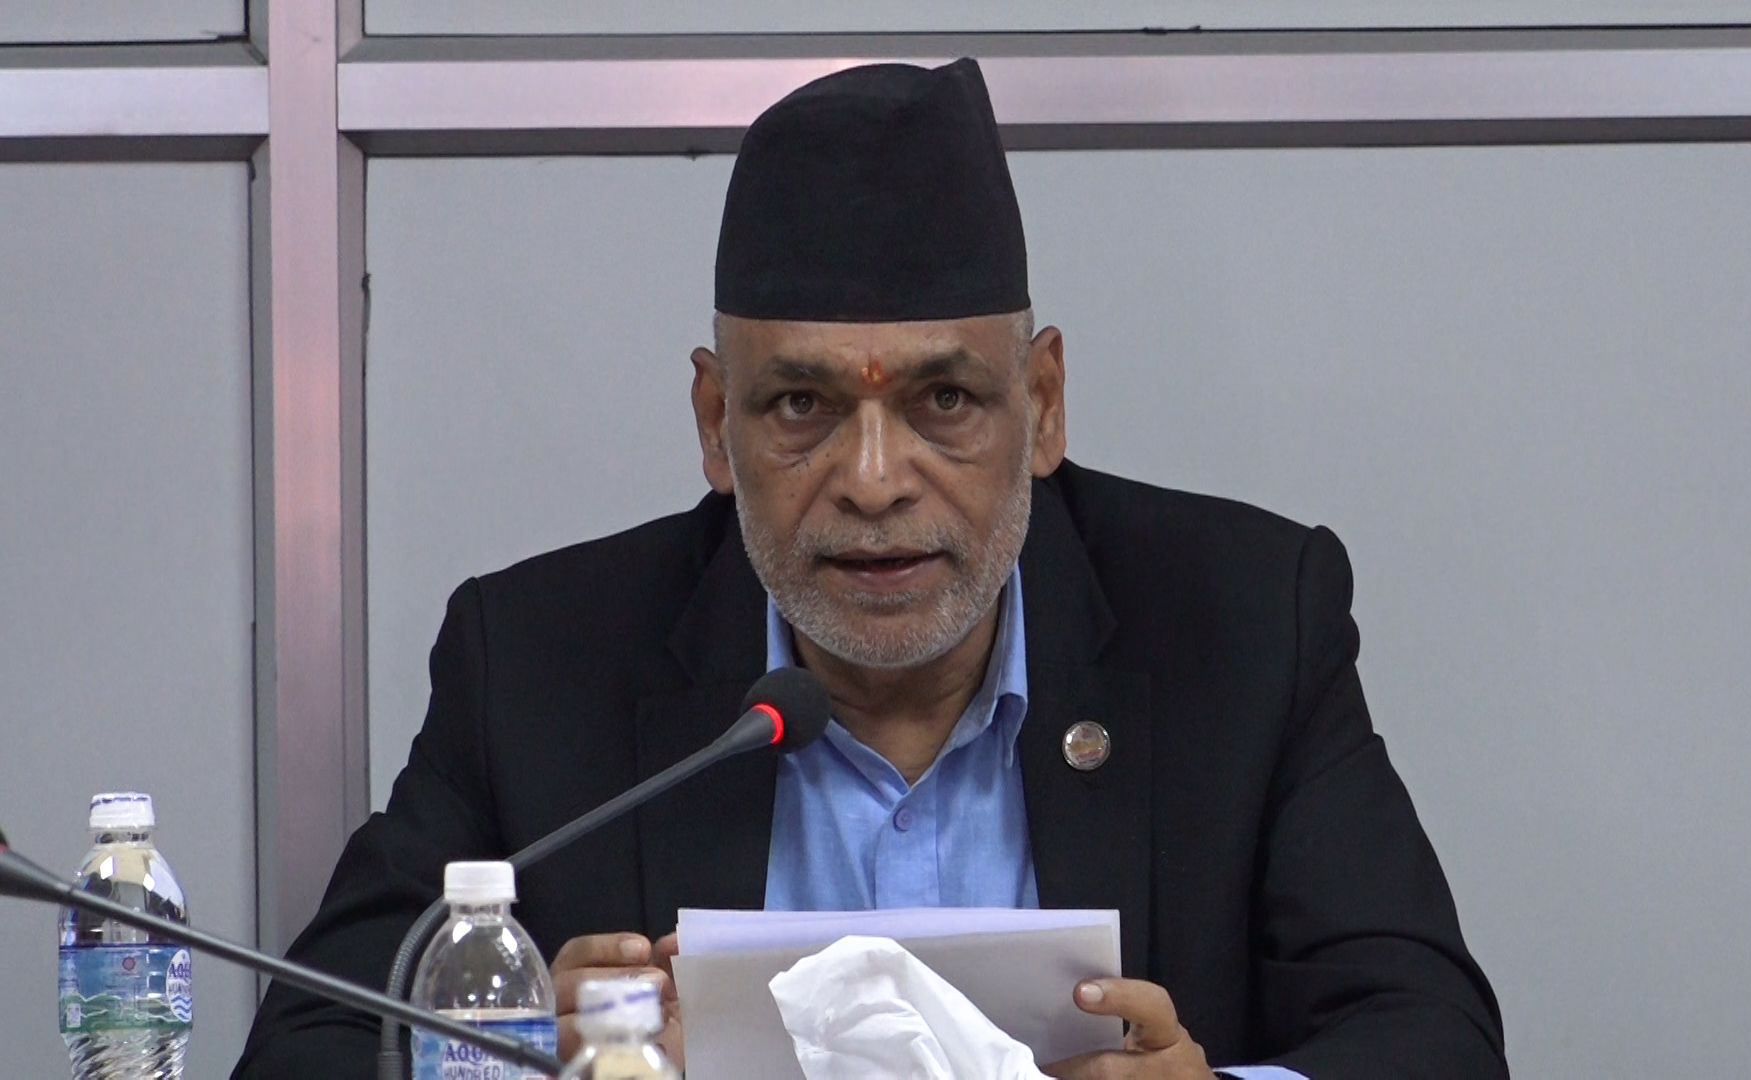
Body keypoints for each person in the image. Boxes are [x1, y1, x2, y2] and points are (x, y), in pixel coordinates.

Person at [235, 59, 1505, 1079]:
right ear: (715, 424)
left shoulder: (1244, 622)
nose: (876, 480)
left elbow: (1432, 1039)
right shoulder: (536, 662)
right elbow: (308, 1043)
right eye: (801, 406)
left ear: (1042, 405)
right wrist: (504, 1058)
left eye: (946, 400)